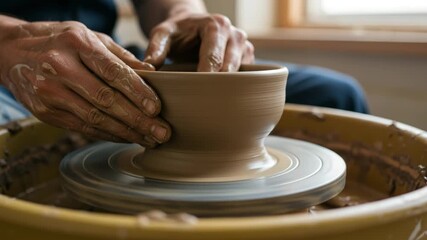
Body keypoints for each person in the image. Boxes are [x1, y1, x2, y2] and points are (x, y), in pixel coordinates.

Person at [0, 0, 368, 148]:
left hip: (101, 49)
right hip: (9, 55)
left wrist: (182, 13)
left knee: (337, 96)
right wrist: (12, 42)